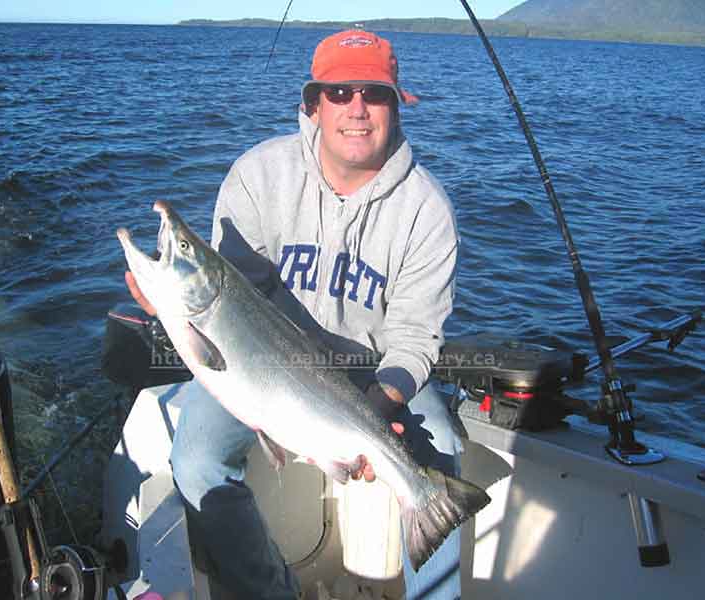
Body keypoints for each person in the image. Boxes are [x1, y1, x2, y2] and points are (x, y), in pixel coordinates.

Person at [126, 29, 462, 599]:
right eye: (339, 92)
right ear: (312, 104)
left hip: (374, 373)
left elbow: (414, 333)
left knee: (444, 457)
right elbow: (227, 304)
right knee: (197, 457)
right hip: (257, 366)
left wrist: (382, 406)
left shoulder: (427, 211)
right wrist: (169, 309)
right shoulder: (258, 177)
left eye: (373, 94)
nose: (356, 109)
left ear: (396, 105)